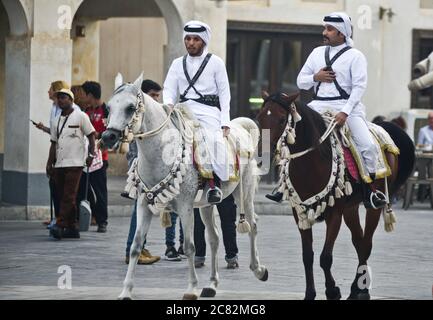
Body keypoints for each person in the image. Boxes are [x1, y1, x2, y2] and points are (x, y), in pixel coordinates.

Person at [266, 12, 387, 210]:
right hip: (318, 105)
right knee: (291, 136)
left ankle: (371, 190)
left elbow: (359, 87)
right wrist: (316, 77)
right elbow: (300, 82)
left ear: (342, 33)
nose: (325, 32)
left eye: (329, 29)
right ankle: (282, 185)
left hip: (348, 108)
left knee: (368, 146)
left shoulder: (356, 56)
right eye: (325, 28)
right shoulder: (316, 53)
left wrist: (346, 112)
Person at [163, 20, 231, 204]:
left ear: (204, 41)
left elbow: (225, 94)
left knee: (212, 140)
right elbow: (168, 89)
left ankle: (213, 184)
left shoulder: (216, 62)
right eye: (188, 39)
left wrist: (225, 122)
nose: (191, 43)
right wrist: (168, 104)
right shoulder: (177, 63)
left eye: (195, 39)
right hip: (182, 110)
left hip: (208, 112)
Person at [46, 88, 96, 240]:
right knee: (64, 196)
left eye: (64, 97)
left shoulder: (81, 116)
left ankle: (60, 225)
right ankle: (73, 227)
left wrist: (91, 155)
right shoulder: (55, 121)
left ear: (71, 100)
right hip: (60, 163)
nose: (61, 100)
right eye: (59, 98)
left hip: (75, 163)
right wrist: (49, 163)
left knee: (69, 195)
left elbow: (92, 136)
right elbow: (53, 144)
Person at [124, 79, 163, 265]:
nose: (156, 99)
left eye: (158, 96)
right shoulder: (137, 119)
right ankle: (133, 250)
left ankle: (141, 247)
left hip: (146, 173)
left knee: (143, 211)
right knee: (139, 211)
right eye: (153, 95)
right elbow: (135, 151)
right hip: (140, 173)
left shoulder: (149, 118)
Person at [32, 81, 81, 227]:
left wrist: (87, 156)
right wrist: (49, 161)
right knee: (58, 190)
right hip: (58, 157)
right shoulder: (55, 110)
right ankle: (62, 219)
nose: (48, 92)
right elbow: (55, 136)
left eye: (50, 89)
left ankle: (64, 221)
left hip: (73, 159)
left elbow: (88, 135)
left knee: (69, 194)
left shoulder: (77, 112)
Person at [79, 81, 109, 233]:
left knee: (100, 190)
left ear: (90, 95)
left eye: (84, 94)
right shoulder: (86, 111)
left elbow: (112, 133)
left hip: (100, 158)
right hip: (84, 157)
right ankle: (90, 215)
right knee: (83, 188)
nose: (83, 97)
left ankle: (102, 221)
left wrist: (98, 136)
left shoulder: (106, 110)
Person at [194, 194, 239, 269]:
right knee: (198, 221)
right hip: (204, 187)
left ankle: (232, 257)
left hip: (221, 187)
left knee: (228, 220)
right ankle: (199, 256)